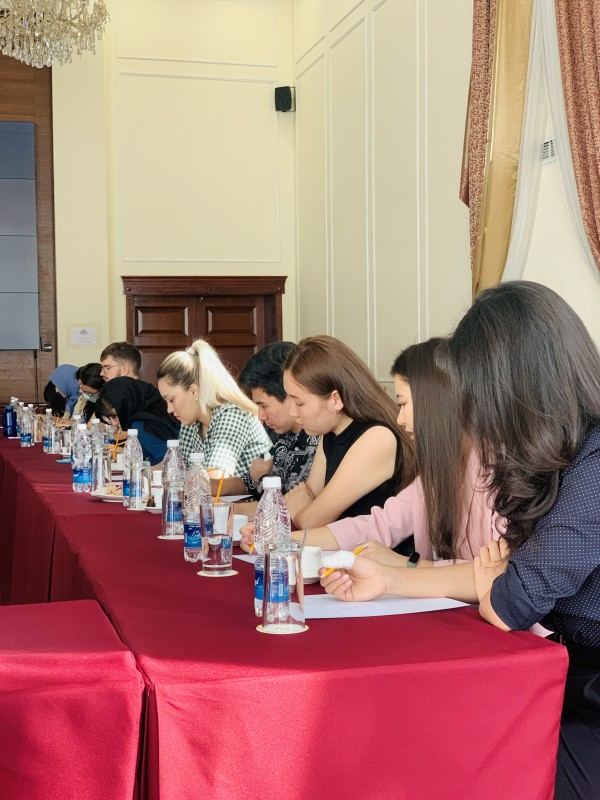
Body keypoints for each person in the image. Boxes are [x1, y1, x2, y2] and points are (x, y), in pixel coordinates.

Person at [320, 281, 600, 800]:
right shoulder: (559, 454)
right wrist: (390, 579)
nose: (472, 414)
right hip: (564, 673)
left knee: (469, 763)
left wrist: (499, 586)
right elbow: (498, 575)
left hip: (586, 695)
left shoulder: (594, 465)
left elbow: (512, 599)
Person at [250, 339, 499, 560]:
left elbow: (490, 575)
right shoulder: (438, 469)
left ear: (433, 404)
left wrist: (405, 568)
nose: (400, 419)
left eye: (403, 403)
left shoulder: (492, 471)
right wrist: (280, 539)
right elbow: (380, 524)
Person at [279, 335, 414, 530]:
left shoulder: (377, 438)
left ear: (335, 399)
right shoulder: (330, 433)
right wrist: (301, 508)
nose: (292, 412)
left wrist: (299, 509)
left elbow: (311, 520)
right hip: (341, 546)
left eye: (299, 403)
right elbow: (306, 498)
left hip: (377, 548)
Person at [157, 338, 272, 473]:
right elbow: (176, 469)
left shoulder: (232, 416)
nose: (169, 409)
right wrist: (143, 471)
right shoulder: (191, 423)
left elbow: (215, 476)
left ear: (193, 391)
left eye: (171, 400)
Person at [236, 341, 320, 498]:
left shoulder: (317, 441)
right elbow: (248, 482)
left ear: (289, 394)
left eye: (264, 406)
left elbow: (291, 504)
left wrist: (262, 477)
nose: (261, 416)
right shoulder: (285, 438)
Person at [96, 376, 180, 466]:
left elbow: (165, 463)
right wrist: (123, 451)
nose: (113, 423)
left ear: (126, 405)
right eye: (109, 418)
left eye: (114, 416)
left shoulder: (140, 423)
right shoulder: (159, 406)